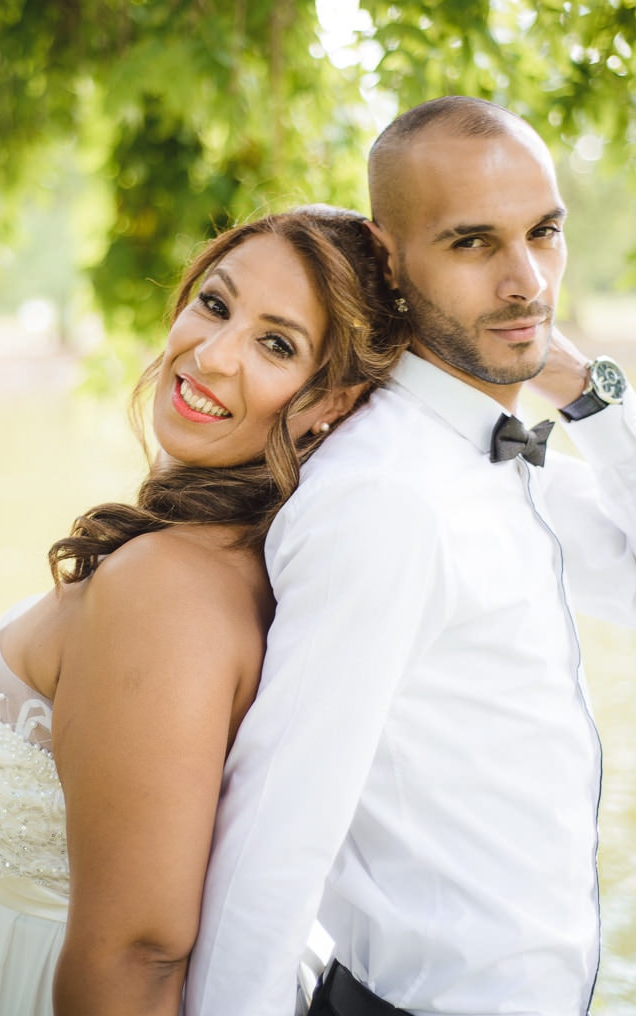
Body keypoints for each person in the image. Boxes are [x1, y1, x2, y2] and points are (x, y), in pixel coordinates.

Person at [184, 97, 636, 1016]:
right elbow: (275, 839)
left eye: (542, 233)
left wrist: (582, 389)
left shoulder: (484, 453)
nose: (525, 282)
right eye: (473, 243)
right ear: (390, 259)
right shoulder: (387, 497)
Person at [0, 204, 403, 1016]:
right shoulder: (220, 548)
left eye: (275, 344)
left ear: (333, 402)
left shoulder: (168, 587)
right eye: (214, 304)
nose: (211, 355)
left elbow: (139, 956)